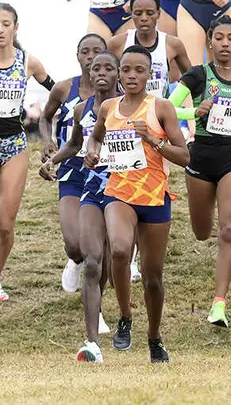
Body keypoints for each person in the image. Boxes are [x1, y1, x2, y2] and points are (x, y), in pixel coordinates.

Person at [85, 45, 190, 363]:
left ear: (150, 74)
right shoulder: (108, 108)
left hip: (155, 197)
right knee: (118, 250)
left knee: (152, 276)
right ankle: (125, 316)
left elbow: (184, 156)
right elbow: (97, 138)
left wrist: (153, 140)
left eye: (138, 70)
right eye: (126, 70)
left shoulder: (161, 108)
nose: (131, 76)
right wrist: (92, 150)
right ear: (118, 73)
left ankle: (155, 336)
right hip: (119, 192)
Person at [0, 2, 55, 303]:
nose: (0, 29)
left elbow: (57, 95)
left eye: (6, 24)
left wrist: (50, 133)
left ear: (16, 27)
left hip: (15, 145)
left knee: (5, 222)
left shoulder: (29, 62)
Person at [167, 16, 231, 327]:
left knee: (228, 230)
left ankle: (219, 305)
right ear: (209, 41)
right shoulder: (198, 75)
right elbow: (166, 108)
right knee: (202, 232)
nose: (226, 44)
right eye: (219, 38)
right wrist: (195, 111)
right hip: (201, 157)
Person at [40, 51, 121, 362]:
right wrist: (51, 160)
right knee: (90, 258)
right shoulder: (79, 109)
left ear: (118, 72)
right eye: (94, 66)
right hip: (90, 186)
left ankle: (122, 317)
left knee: (115, 257)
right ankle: (92, 337)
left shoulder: (129, 106)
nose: (99, 71)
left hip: (124, 188)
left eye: (107, 67)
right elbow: (74, 144)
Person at [39, 33, 106, 293]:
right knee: (73, 242)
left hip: (104, 170)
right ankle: (75, 260)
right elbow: (45, 118)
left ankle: (97, 286)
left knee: (101, 241)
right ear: (78, 56)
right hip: (72, 167)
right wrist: (47, 142)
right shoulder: (65, 88)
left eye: (96, 51)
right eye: (85, 52)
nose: (90, 57)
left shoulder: (119, 92)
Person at [108, 0, 191, 90]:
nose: (144, 18)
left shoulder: (172, 44)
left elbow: (192, 80)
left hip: (159, 105)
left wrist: (174, 102)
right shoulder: (117, 44)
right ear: (131, 14)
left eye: (150, 13)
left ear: (158, 14)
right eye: (138, 13)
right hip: (126, 105)